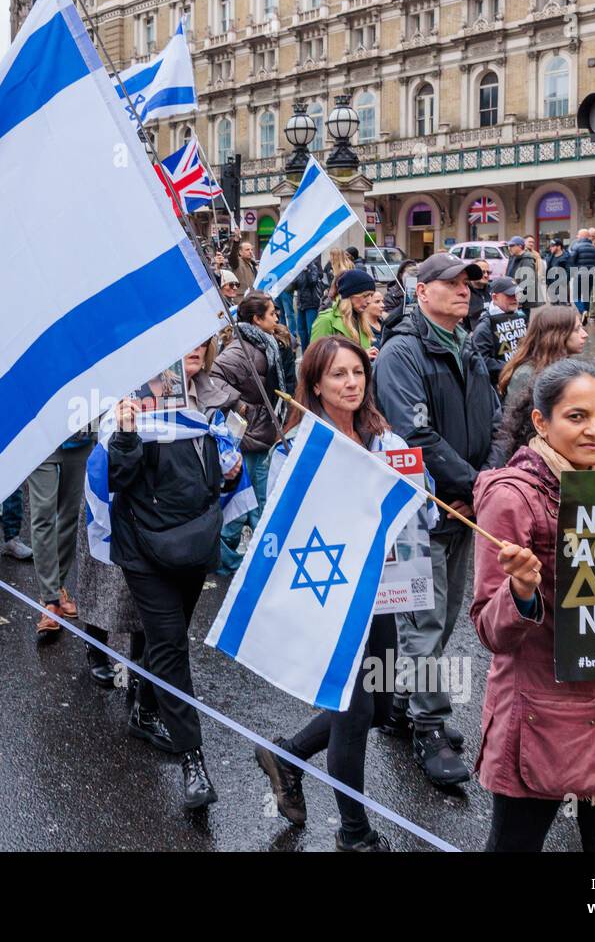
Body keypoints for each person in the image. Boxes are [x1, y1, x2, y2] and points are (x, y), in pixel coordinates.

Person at [472, 359, 595, 850]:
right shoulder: (512, 498)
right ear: (542, 421)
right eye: (577, 416)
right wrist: (519, 592)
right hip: (542, 717)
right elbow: (488, 631)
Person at [254, 335, 422, 851]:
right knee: (353, 712)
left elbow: (423, 514)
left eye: (357, 372)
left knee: (378, 700)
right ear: (315, 384)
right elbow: (281, 527)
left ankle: (288, 755)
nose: (351, 383)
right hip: (333, 595)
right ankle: (355, 833)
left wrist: (422, 490)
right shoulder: (295, 449)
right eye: (337, 375)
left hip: (384, 594)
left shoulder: (386, 440)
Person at [371, 253, 496, 787]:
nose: (463, 290)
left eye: (467, 283)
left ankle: (401, 702)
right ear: (422, 292)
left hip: (465, 504)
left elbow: (495, 419)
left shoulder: (466, 344)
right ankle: (430, 725)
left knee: (442, 619)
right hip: (421, 508)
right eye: (450, 283)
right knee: (422, 623)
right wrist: (473, 485)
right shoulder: (402, 352)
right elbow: (414, 437)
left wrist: (485, 482)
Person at [108, 379, 241, 810]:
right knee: (170, 645)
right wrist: (126, 433)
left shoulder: (210, 399)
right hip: (144, 550)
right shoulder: (130, 394)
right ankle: (193, 761)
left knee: (168, 638)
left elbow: (213, 480)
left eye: (200, 346)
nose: (193, 355)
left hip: (194, 542)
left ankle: (146, 711)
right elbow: (116, 476)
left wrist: (228, 469)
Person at [209, 292, 286, 574]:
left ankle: (233, 555)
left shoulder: (262, 342)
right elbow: (214, 378)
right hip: (251, 431)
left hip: (261, 429)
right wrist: (241, 405)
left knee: (250, 497)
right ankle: (235, 558)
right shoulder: (241, 349)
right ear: (256, 319)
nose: (277, 317)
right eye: (272, 313)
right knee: (253, 497)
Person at [27, 420, 94, 641]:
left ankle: (58, 587)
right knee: (43, 514)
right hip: (40, 436)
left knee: (71, 514)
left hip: (79, 435)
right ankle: (51, 601)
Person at [497, 303, 587, 415]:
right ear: (557, 335)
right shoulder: (526, 374)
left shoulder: (565, 365)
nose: (585, 334)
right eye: (577, 330)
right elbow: (514, 420)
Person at [310, 269, 378, 360]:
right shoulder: (326, 320)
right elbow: (315, 359)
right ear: (349, 295)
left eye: (371, 295)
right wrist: (361, 355)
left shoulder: (361, 320)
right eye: (365, 295)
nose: (369, 301)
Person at [471, 276, 528, 386]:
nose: (515, 298)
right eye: (510, 295)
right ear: (495, 297)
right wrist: (511, 366)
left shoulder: (521, 317)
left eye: (517, 294)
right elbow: (480, 360)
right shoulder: (485, 326)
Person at [291, 256, 326, 351]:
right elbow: (294, 286)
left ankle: (313, 352)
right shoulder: (298, 268)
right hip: (301, 303)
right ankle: (305, 353)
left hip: (311, 303)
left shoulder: (313, 266)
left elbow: (313, 281)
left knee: (311, 330)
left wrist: (307, 271)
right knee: (301, 330)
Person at [566, 228, 595, 318]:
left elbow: (571, 261)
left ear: (581, 236)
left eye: (578, 235)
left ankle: (583, 311)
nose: (576, 236)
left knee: (576, 297)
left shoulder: (576, 246)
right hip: (590, 274)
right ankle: (586, 313)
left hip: (579, 274)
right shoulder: (593, 247)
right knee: (586, 296)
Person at [504, 235, 541, 312]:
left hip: (522, 301)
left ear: (520, 246)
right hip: (513, 296)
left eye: (512, 245)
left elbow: (527, 283)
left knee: (523, 321)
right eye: (509, 245)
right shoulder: (513, 257)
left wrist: (520, 300)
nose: (509, 248)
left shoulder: (527, 260)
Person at [543, 239, 570, 305]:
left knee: (562, 306)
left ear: (559, 247)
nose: (550, 248)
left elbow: (569, 272)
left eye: (552, 246)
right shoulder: (551, 257)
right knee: (554, 306)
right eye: (550, 246)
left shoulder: (566, 257)